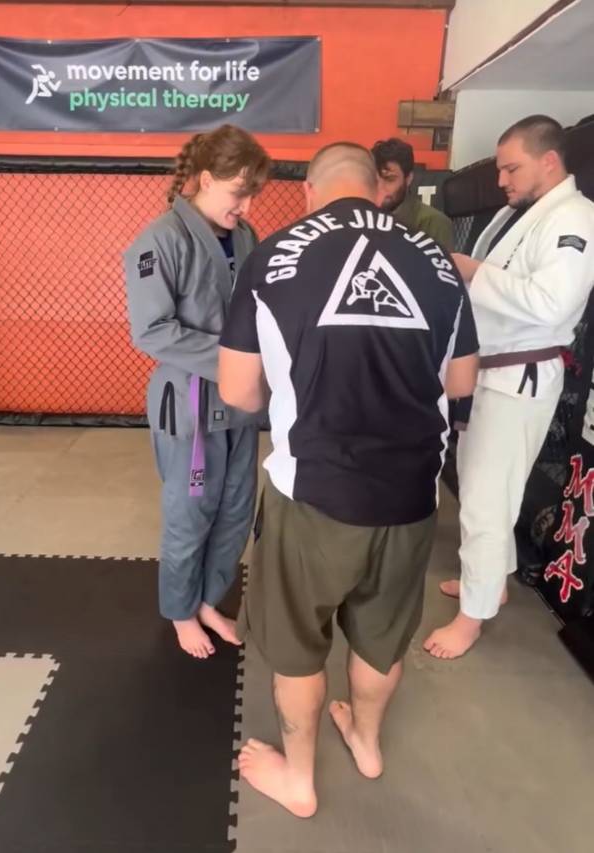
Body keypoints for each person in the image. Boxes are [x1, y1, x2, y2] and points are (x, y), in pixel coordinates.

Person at [219, 142, 478, 817]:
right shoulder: (437, 261)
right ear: (377, 189)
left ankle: (299, 781)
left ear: (311, 188)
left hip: (313, 495)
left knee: (298, 647)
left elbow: (238, 391)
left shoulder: (271, 256)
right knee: (380, 634)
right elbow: (462, 381)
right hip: (413, 493)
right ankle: (366, 741)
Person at [424, 115, 594, 659]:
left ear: (550, 160)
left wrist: (475, 272)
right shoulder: (518, 215)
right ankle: (491, 581)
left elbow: (552, 303)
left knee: (485, 499)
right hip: (489, 372)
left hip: (518, 376)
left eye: (511, 168)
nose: (501, 180)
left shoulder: (576, 217)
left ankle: (471, 618)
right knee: (485, 491)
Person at [124, 125, 270, 659]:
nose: (247, 206)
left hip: (241, 400)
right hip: (190, 400)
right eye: (239, 192)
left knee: (235, 509)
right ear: (205, 180)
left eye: (253, 194)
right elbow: (152, 330)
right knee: (191, 513)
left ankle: (209, 600)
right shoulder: (160, 240)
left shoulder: (246, 237)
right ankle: (181, 611)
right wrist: (237, 359)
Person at [372, 137, 454, 250]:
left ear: (408, 178)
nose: (380, 188)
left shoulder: (433, 223)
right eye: (374, 180)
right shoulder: (361, 217)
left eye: (389, 179)